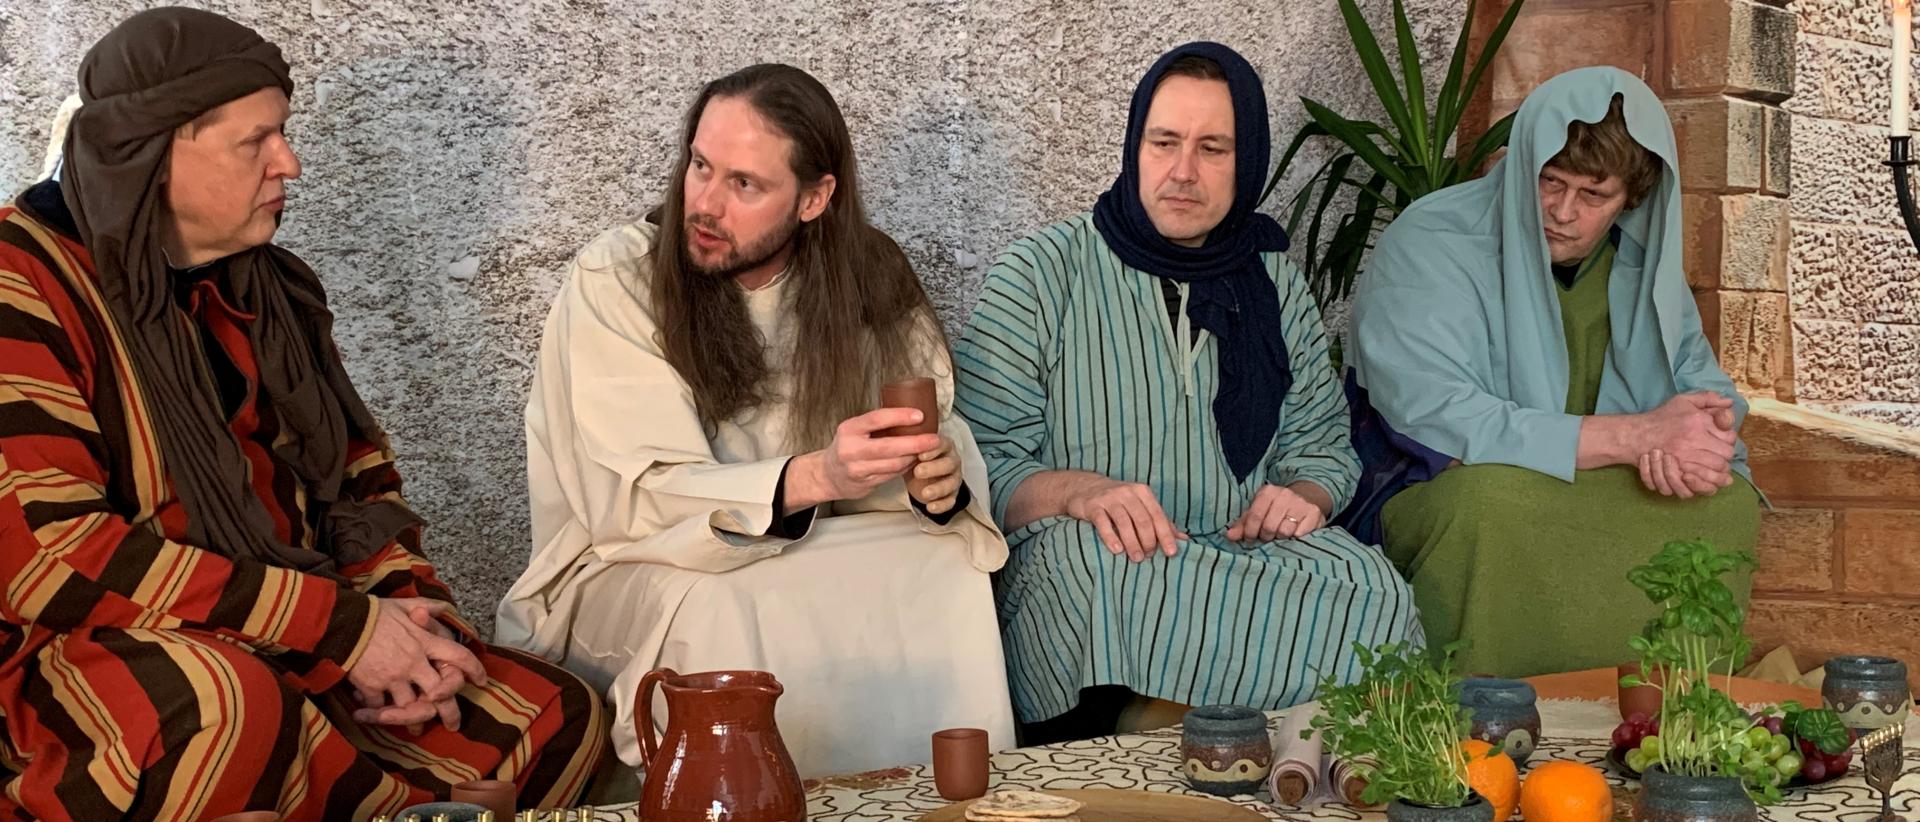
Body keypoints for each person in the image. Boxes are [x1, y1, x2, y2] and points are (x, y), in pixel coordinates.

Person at [0, 8, 604, 819]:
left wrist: (416, 629)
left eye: (282, 133)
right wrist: (341, 627)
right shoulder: (20, 284)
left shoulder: (273, 290)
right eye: (257, 141)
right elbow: (49, 555)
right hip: (79, 654)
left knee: (549, 713)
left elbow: (356, 484)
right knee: (219, 706)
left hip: (291, 633)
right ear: (153, 151)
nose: (289, 163)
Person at [495, 64, 1014, 778]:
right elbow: (636, 500)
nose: (706, 203)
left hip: (811, 547)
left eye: (744, 184)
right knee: (722, 598)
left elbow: (930, 435)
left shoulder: (869, 278)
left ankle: (937, 801)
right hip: (631, 568)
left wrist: (934, 485)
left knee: (946, 566)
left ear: (814, 198)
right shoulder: (618, 278)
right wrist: (814, 477)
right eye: (700, 166)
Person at [953, 42, 1422, 742]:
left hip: (1244, 550)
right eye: (1164, 142)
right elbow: (981, 464)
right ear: (1135, 146)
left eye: (1213, 149)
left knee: (1370, 585)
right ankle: (1197, 728)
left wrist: (1303, 497)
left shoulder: (1274, 282)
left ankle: (1191, 726)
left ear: (1247, 161)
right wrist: (1081, 493)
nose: (1182, 171)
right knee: (1088, 566)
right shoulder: (1042, 272)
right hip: (1105, 555)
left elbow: (1322, 447)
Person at [1346, 66, 1762, 678]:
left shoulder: (1639, 263)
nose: (1563, 211)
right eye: (1550, 181)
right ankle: (1481, 711)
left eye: (1594, 196)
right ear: (1522, 164)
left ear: (1632, 199)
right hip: (1443, 480)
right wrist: (1635, 437)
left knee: (1728, 506)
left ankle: (1664, 711)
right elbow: (1437, 416)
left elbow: (1703, 390)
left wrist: (1700, 440)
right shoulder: (1432, 238)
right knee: (1490, 503)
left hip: (1591, 479)